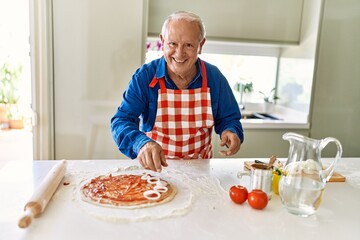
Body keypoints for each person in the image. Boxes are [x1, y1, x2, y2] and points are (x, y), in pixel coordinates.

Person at [111, 11, 244, 172]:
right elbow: (121, 120)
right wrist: (141, 143)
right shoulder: (145, 76)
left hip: (200, 172)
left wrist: (230, 131)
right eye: (172, 44)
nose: (179, 54)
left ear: (200, 45)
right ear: (162, 42)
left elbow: (229, 118)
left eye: (188, 45)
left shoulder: (214, 77)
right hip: (156, 171)